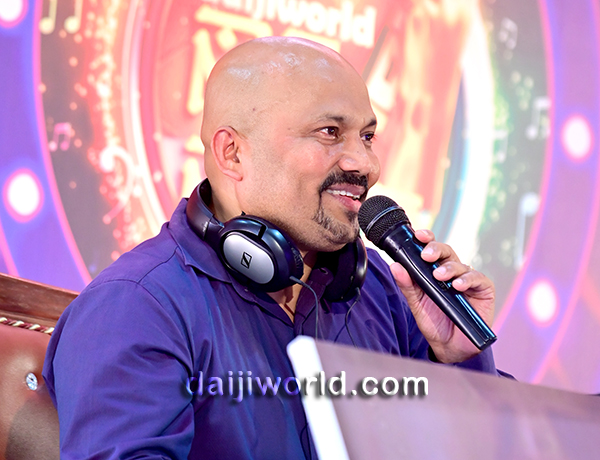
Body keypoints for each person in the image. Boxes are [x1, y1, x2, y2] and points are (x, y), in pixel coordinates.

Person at [43, 36, 499, 459]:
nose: (366, 164)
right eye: (329, 132)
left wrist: (459, 360)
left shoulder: (385, 288)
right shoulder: (134, 306)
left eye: (367, 137)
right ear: (233, 153)